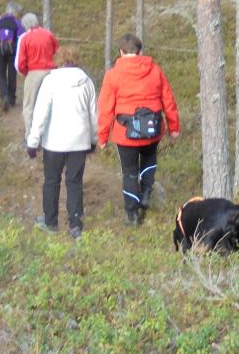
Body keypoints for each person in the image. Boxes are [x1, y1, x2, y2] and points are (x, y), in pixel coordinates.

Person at [97, 33, 180, 226]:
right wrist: (174, 127)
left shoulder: (112, 75)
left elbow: (105, 109)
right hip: (152, 130)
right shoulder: (155, 71)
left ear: (121, 52)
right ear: (140, 51)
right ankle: (146, 193)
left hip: (125, 133)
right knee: (149, 161)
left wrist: (102, 137)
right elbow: (168, 100)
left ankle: (132, 214)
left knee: (129, 172)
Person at [26, 46, 99, 239]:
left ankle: (50, 222)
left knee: (52, 181)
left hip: (54, 141)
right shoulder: (87, 82)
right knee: (75, 182)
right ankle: (75, 225)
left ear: (58, 60)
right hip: (79, 141)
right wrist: (93, 139)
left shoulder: (50, 81)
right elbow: (93, 115)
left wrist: (33, 142)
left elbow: (40, 114)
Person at [17, 13, 58, 134]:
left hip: (34, 72)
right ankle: (51, 133)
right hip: (51, 72)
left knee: (29, 106)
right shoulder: (49, 34)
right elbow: (58, 52)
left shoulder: (26, 38)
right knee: (52, 104)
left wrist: (25, 73)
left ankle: (30, 135)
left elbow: (21, 62)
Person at [0, 3, 24, 112]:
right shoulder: (17, 23)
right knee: (12, 74)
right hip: (13, 51)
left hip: (0, 50)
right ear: (14, 12)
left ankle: (4, 96)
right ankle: (12, 99)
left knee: (1, 74)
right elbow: (22, 38)